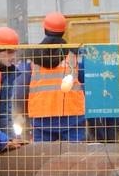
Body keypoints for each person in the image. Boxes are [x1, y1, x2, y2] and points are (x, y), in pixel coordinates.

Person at [25, 11, 86, 142]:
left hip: (42, 115)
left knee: (42, 157)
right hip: (71, 114)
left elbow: (21, 86)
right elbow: (84, 78)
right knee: (75, 158)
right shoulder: (73, 53)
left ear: (45, 29)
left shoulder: (32, 55)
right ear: (64, 31)